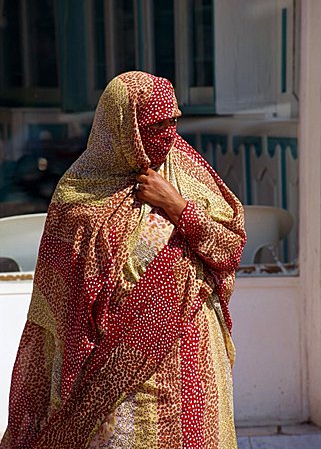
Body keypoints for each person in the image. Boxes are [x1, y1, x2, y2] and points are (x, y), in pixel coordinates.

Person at [0, 71, 246, 449]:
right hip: (115, 370)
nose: (168, 136)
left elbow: (229, 248)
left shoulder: (187, 173)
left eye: (174, 123)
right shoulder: (79, 198)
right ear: (123, 128)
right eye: (154, 127)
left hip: (192, 359)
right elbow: (60, 300)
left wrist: (178, 208)